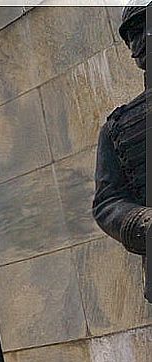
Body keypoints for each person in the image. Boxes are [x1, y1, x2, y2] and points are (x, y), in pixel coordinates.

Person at [93, 1, 151, 303]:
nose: (138, 42)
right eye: (132, 34)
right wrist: (144, 222)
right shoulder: (118, 127)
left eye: (145, 27)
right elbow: (107, 202)